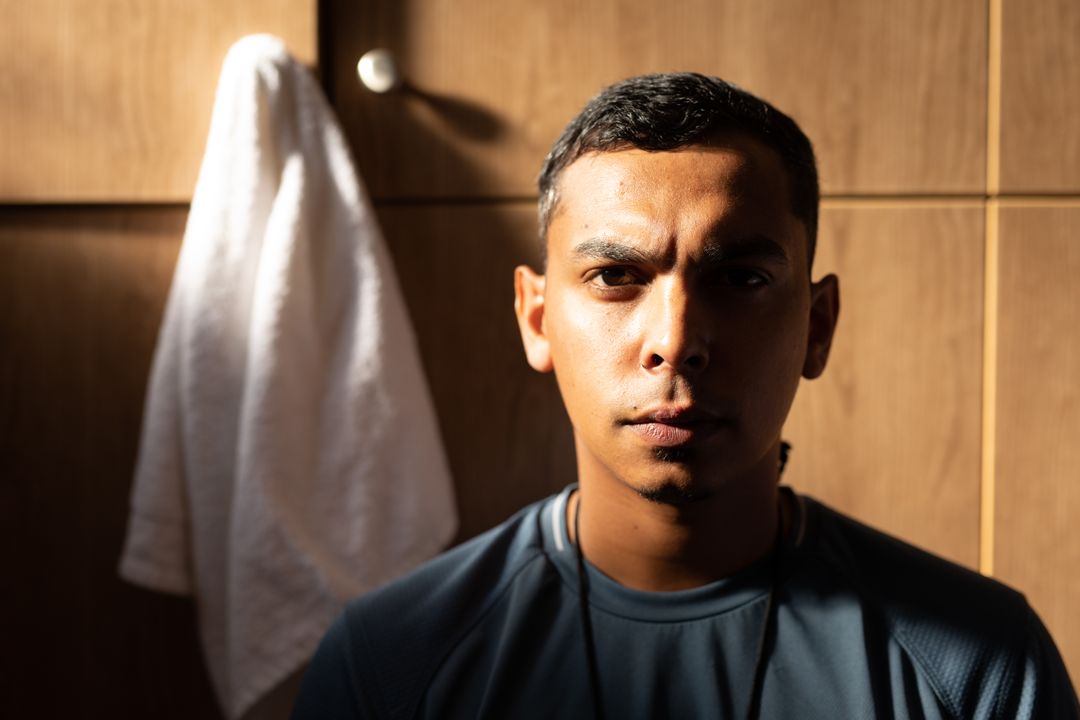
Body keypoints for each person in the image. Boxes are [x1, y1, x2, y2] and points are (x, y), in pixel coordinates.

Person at [291, 73, 1079, 719]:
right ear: (537, 320)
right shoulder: (387, 666)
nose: (676, 339)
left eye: (738, 279)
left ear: (817, 325)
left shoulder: (978, 668)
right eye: (615, 278)